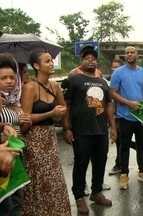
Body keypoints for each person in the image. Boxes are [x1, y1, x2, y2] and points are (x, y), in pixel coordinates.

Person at [63, 46, 115, 214]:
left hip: (100, 131)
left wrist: (113, 127)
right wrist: (67, 128)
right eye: (87, 58)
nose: (91, 60)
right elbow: (66, 105)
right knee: (81, 164)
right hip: (81, 131)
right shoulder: (74, 79)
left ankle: (96, 192)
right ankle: (79, 197)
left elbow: (108, 105)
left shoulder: (102, 82)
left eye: (94, 58)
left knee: (100, 163)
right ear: (81, 61)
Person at [21, 51, 71, 216]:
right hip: (34, 140)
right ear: (36, 66)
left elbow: (63, 109)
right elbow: (26, 120)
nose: (51, 63)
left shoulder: (55, 86)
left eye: (52, 60)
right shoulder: (30, 87)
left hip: (50, 139)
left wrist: (64, 124)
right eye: (47, 61)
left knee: (55, 180)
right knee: (39, 181)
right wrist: (50, 114)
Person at [110, 46, 143, 190]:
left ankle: (142, 171)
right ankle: (124, 174)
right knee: (124, 147)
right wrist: (128, 103)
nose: (129, 54)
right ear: (125, 55)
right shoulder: (118, 73)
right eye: (127, 52)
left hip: (142, 117)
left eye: (132, 52)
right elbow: (113, 93)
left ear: (137, 55)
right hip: (124, 117)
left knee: (142, 145)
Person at [0, 53, 30, 216]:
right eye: (3, 78)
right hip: (3, 157)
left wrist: (25, 120)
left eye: (12, 77)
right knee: (7, 203)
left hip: (15, 153)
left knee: (16, 199)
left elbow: (20, 129)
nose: (9, 81)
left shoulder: (14, 100)